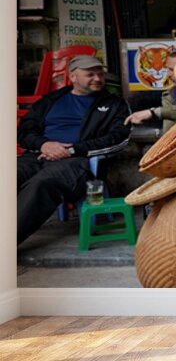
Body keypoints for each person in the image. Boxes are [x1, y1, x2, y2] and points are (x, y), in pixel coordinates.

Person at [17, 55, 131, 245]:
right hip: (38, 155)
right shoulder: (51, 100)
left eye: (100, 74)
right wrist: (44, 145)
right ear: (73, 76)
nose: (97, 78)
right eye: (90, 74)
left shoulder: (114, 105)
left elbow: (118, 138)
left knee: (42, 184)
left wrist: (73, 150)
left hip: (77, 162)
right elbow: (24, 130)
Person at [124, 49, 176, 132]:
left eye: (172, 70)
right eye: (168, 69)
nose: (168, 74)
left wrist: (155, 112)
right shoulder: (170, 95)